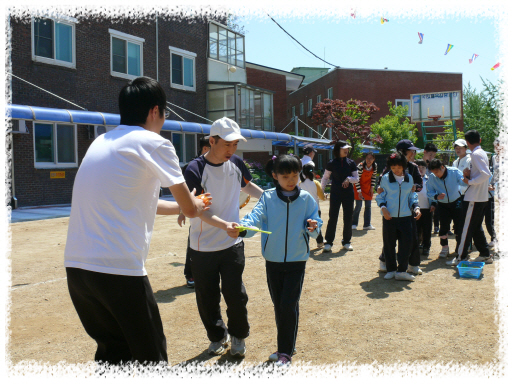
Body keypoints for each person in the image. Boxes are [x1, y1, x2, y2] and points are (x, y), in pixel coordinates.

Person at [64, 77, 209, 365]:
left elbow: (144, 203)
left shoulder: (102, 141)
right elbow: (191, 209)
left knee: (114, 355)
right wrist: (196, 202)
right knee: (151, 358)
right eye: (165, 114)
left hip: (78, 270)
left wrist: (185, 207)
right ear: (155, 111)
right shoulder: (154, 143)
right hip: (119, 271)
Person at [183, 117, 263, 357]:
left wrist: (272, 199)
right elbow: (196, 209)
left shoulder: (236, 163)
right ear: (212, 141)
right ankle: (218, 336)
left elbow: (249, 187)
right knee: (207, 298)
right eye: (226, 144)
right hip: (202, 247)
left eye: (235, 144)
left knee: (236, 295)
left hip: (232, 243)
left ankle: (238, 336)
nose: (231, 150)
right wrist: (224, 224)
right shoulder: (194, 169)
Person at [238, 154, 322, 367]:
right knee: (279, 305)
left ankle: (285, 352)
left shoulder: (306, 199)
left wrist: (314, 226)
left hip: (297, 260)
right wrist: (242, 229)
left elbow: (316, 222)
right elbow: (254, 218)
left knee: (288, 304)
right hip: (273, 261)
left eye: (295, 175)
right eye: (285, 176)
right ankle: (286, 346)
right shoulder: (267, 198)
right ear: (275, 176)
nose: (291, 180)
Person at [447, 130, 493, 266]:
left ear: (467, 143)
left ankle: (461, 257)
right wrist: (468, 175)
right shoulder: (481, 153)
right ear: (480, 139)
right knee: (476, 226)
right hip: (480, 197)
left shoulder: (476, 154)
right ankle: (485, 254)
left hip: (474, 197)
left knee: (466, 227)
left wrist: (469, 181)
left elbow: (485, 174)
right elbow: (482, 173)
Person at [377, 139, 423, 273]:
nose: (413, 153)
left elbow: (419, 184)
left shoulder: (413, 167)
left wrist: (415, 187)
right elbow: (381, 184)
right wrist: (379, 189)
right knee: (389, 239)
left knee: (411, 238)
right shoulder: (389, 167)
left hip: (408, 209)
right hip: (391, 210)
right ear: (402, 152)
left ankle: (413, 265)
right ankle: (385, 261)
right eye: (411, 150)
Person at [179, 137, 212, 288]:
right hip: (197, 212)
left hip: (210, 210)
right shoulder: (191, 167)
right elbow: (184, 194)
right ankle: (190, 274)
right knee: (194, 242)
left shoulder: (216, 165)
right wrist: (182, 210)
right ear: (205, 148)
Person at [320, 140, 358, 252]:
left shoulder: (351, 163)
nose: (346, 150)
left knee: (348, 217)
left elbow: (356, 179)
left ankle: (346, 241)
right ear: (338, 150)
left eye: (347, 148)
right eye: (344, 148)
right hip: (336, 193)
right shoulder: (331, 163)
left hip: (348, 194)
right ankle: (328, 242)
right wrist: (321, 190)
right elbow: (325, 178)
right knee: (333, 217)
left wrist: (348, 179)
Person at [426, 159, 466, 258]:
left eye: (436, 172)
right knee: (443, 226)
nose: (435, 175)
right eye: (433, 172)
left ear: (442, 167)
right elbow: (429, 192)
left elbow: (464, 183)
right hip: (442, 204)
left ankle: (459, 247)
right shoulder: (432, 178)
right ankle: (444, 247)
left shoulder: (454, 172)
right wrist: (436, 197)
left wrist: (466, 177)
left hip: (457, 201)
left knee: (459, 225)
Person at [300, 162, 326, 248]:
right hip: (315, 209)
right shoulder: (315, 183)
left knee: (305, 227)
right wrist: (325, 196)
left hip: (304, 210)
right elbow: (322, 197)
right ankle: (320, 242)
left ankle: (305, 244)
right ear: (312, 172)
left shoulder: (300, 184)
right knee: (316, 226)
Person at [414, 160, 436, 255]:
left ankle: (426, 246)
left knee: (427, 230)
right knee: (416, 229)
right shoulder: (412, 180)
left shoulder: (429, 180)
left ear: (426, 169)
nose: (421, 169)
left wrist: (433, 204)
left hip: (427, 208)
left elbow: (434, 192)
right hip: (415, 209)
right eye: (418, 167)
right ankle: (416, 246)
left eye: (423, 167)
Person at [352, 152, 377, 230]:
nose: (369, 160)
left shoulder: (375, 166)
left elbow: (373, 177)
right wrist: (359, 191)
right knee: (358, 206)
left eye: (371, 158)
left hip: (368, 188)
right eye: (367, 158)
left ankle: (367, 224)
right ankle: (353, 223)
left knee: (368, 206)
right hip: (358, 187)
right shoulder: (360, 166)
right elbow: (356, 180)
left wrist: (372, 188)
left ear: (373, 159)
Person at [423, 143, 440, 234]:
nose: (431, 157)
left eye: (434, 155)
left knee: (435, 208)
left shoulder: (434, 165)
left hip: (432, 192)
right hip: (421, 193)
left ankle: (436, 226)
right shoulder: (419, 164)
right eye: (430, 155)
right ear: (424, 152)